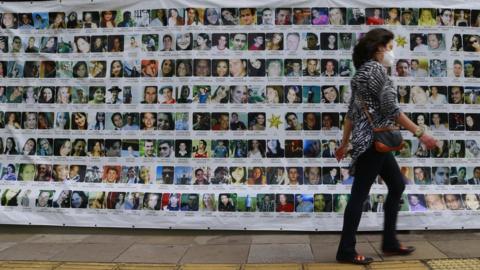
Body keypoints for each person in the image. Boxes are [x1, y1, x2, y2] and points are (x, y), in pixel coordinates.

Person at [335, 28, 437, 265]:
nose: (392, 52)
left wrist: (344, 143)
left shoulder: (360, 73)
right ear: (377, 48)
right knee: (359, 196)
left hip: (371, 142)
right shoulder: (376, 71)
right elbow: (392, 109)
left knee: (397, 184)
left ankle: (389, 242)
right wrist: (421, 134)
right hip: (374, 143)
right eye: (390, 47)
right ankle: (346, 250)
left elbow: (351, 113)